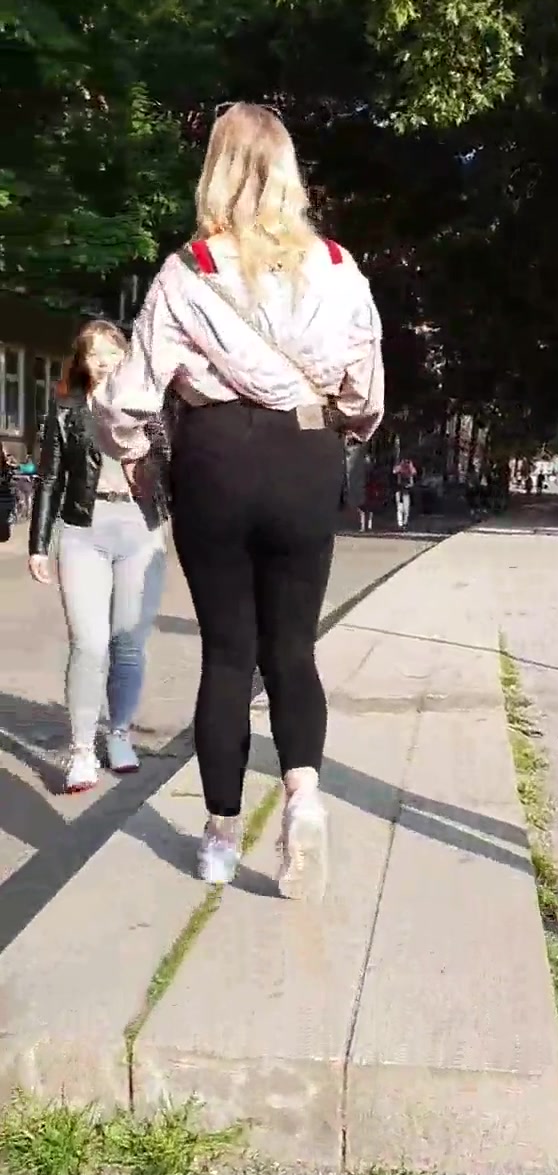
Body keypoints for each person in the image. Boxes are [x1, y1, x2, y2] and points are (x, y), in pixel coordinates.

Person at [92, 102, 384, 897]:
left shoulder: (188, 269)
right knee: (293, 647)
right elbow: (365, 392)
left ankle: (220, 839)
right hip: (306, 453)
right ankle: (305, 798)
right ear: (288, 172)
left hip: (216, 456)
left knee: (227, 653)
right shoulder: (338, 265)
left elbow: (128, 398)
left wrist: (136, 457)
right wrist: (338, 427)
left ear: (216, 172)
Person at [28, 321, 169, 794]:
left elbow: (175, 465)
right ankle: (82, 750)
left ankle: (120, 733)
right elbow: (49, 478)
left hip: (141, 530)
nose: (104, 361)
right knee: (89, 644)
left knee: (128, 642)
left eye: (112, 352)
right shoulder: (68, 411)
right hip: (83, 531)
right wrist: (38, 545)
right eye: (94, 354)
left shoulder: (149, 406)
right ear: (82, 362)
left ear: (126, 357)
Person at [393, 457, 416, 529]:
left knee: (405, 509)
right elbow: (394, 471)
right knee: (400, 508)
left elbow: (412, 480)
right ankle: (401, 523)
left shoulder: (409, 470)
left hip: (405, 491)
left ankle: (404, 523)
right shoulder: (399, 469)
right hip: (400, 491)